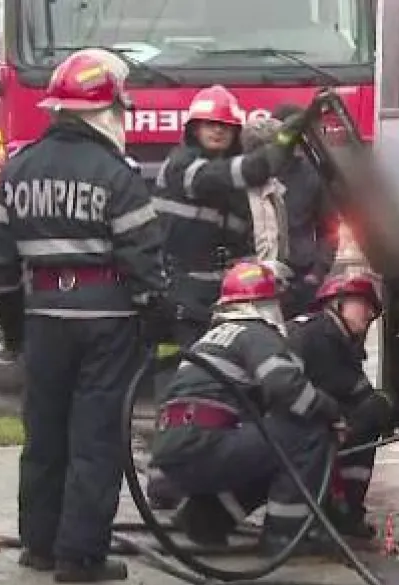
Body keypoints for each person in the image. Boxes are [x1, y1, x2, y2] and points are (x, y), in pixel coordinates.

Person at [0, 49, 174, 583]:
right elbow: (142, 256)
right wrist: (156, 310)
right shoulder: (117, 174)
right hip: (107, 322)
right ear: (105, 111)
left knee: (43, 431)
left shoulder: (17, 169)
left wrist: (14, 320)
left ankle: (39, 545)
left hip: (44, 318)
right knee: (95, 435)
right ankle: (81, 554)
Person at [146, 88, 297, 510]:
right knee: (178, 381)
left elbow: (245, 238)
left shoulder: (230, 184)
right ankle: (163, 478)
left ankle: (196, 481)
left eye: (225, 127)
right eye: (210, 124)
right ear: (193, 128)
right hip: (179, 296)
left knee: (215, 384)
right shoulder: (186, 167)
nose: (216, 132)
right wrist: (280, 147)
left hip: (212, 299)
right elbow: (240, 172)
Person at [149, 260, 345, 556]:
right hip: (205, 443)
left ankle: (206, 518)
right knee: (307, 433)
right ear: (266, 302)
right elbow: (285, 387)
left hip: (173, 451)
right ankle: (287, 535)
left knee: (272, 452)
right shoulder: (255, 332)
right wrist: (330, 410)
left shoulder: (211, 337)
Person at [286, 272, 391, 539]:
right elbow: (353, 392)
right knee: (372, 413)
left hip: (286, 426)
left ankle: (338, 507)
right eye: (363, 304)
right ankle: (343, 513)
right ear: (337, 303)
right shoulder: (322, 337)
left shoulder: (325, 335)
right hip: (295, 432)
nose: (369, 315)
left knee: (371, 411)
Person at [271, 103, 340, 319]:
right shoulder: (252, 171)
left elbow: (330, 228)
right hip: (256, 281)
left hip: (300, 281)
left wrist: (317, 273)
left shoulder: (313, 175)